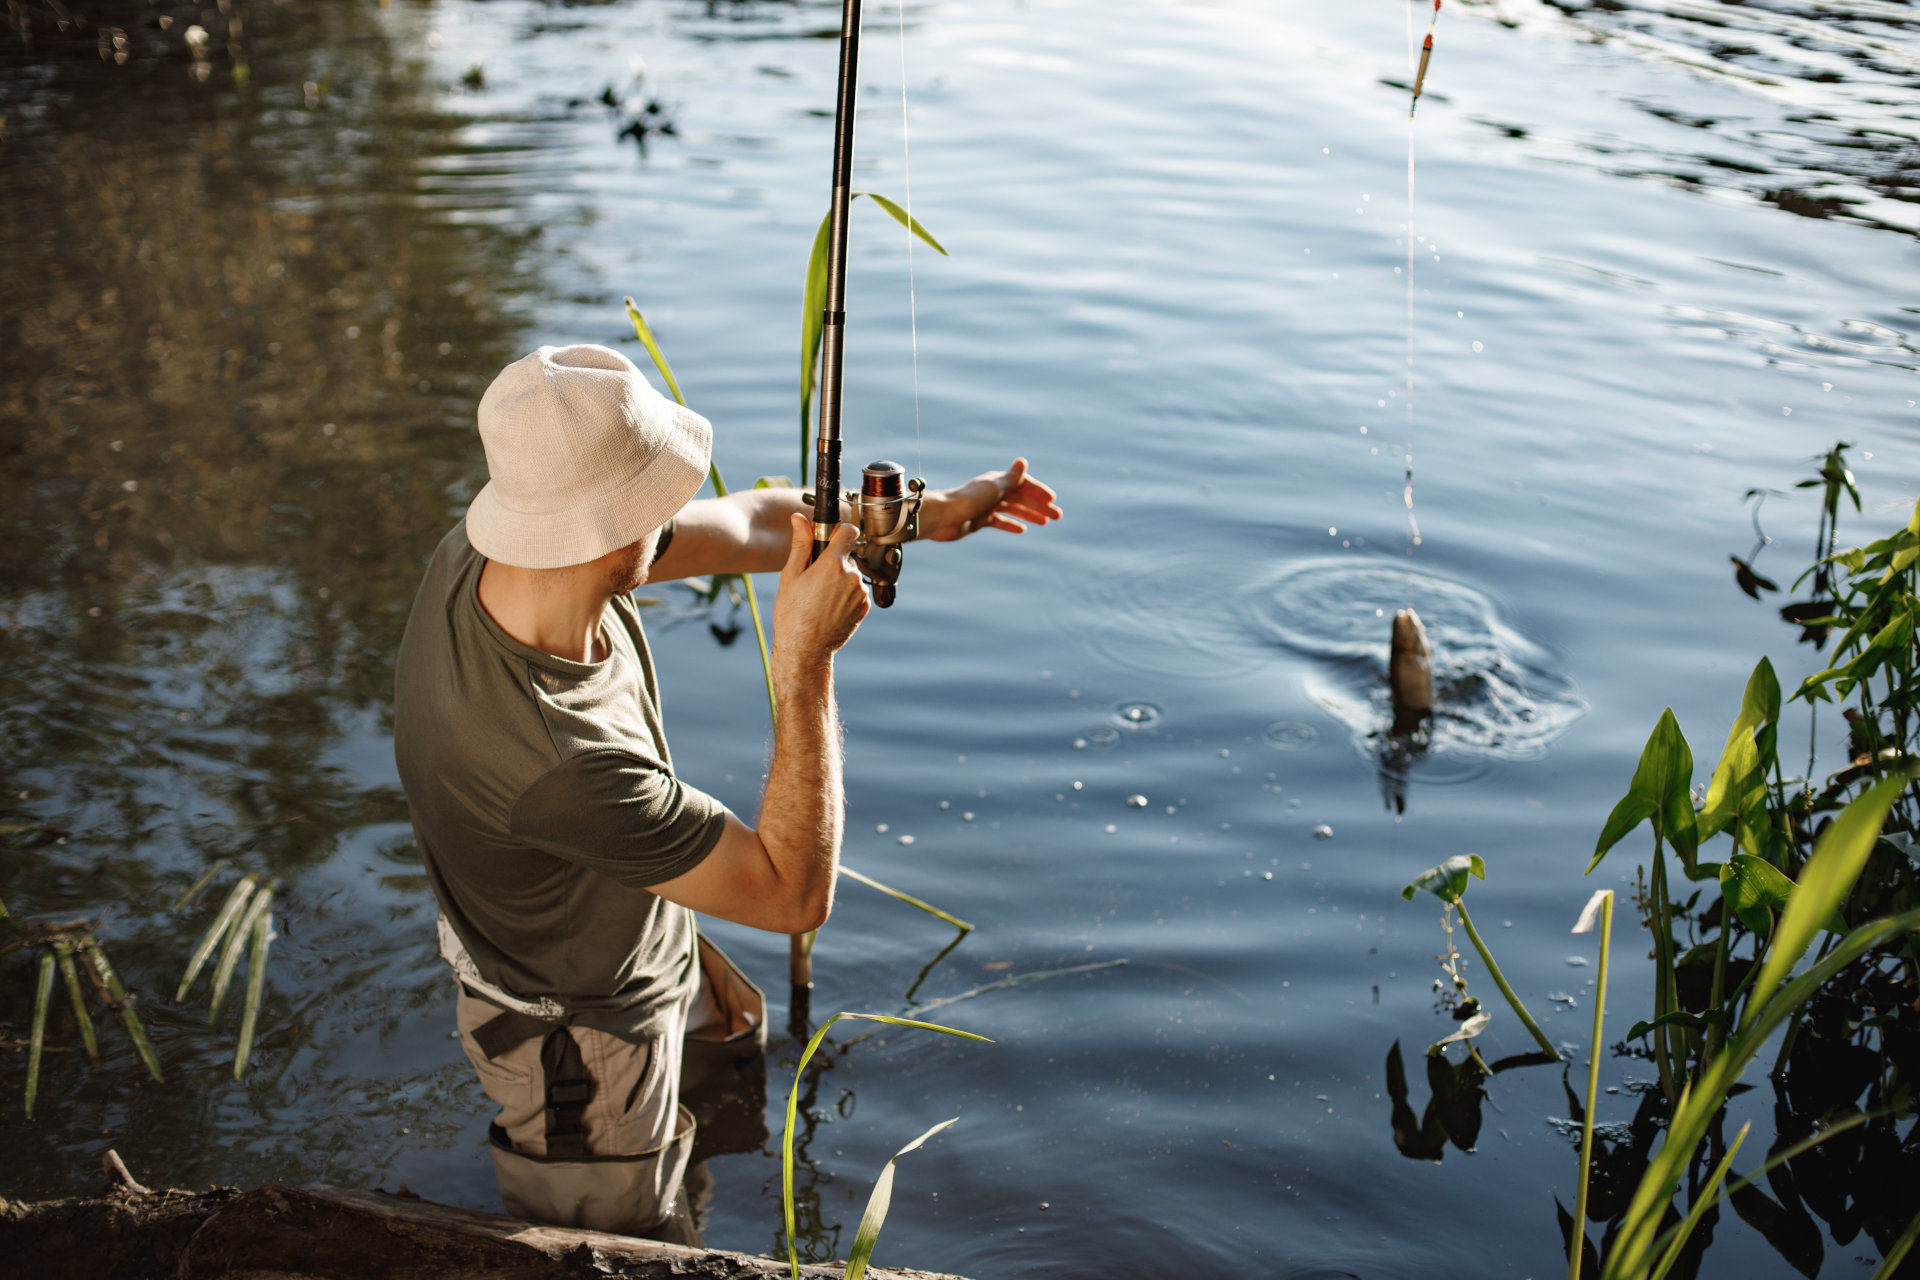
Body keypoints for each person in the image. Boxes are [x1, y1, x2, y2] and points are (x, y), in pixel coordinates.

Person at [392, 342, 1060, 1239]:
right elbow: (794, 895)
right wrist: (805, 660)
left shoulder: (501, 556)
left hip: (640, 928)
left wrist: (915, 516)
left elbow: (752, 521)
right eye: (653, 499)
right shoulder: (557, 763)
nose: (675, 508)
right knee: (625, 1252)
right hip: (584, 1045)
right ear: (604, 532)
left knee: (712, 1148)